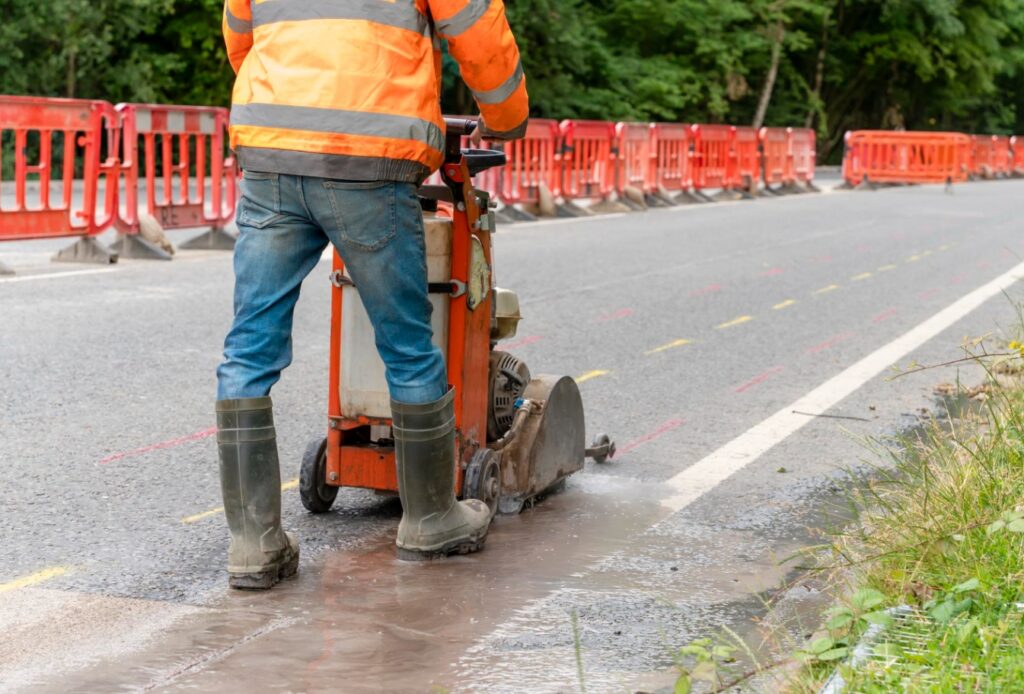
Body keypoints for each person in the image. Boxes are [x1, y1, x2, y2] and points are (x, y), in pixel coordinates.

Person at [216, 0, 528, 590]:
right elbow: (478, 35)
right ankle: (431, 518)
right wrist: (507, 117)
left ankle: (253, 546)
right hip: (368, 158)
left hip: (272, 153)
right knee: (407, 340)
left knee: (248, 349)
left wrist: (292, 99)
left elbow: (241, 37)